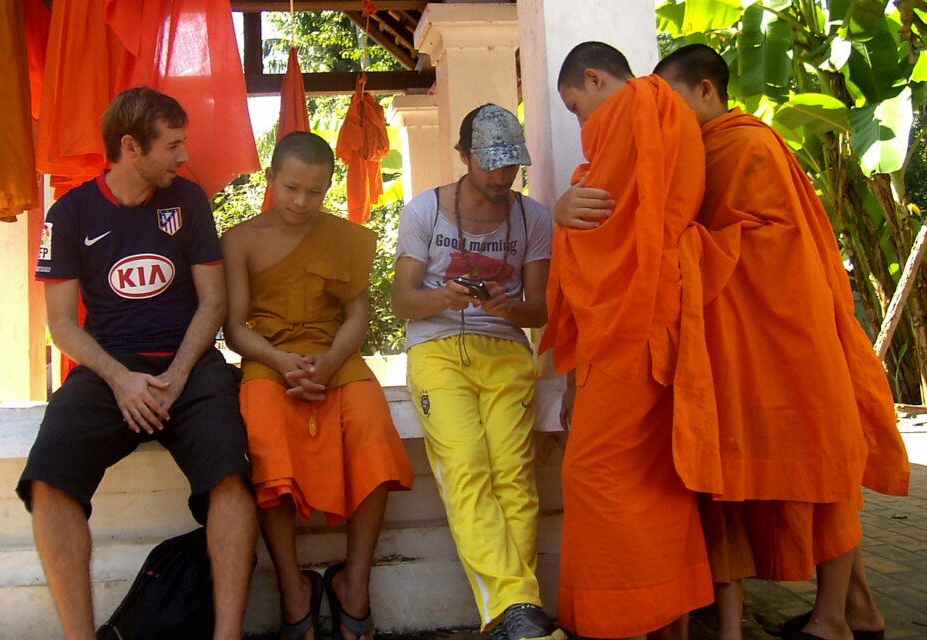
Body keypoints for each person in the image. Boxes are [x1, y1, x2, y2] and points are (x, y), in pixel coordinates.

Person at [648, 44, 910, 640]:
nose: (666, 112)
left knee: (827, 468)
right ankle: (860, 609)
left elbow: (767, 241)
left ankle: (832, 621)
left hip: (792, 329)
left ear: (707, 92)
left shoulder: (747, 144)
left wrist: (685, 246)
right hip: (761, 334)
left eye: (672, 98)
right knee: (811, 469)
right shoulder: (712, 147)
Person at [17, 86, 257, 640]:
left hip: (189, 361)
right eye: (173, 145)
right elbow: (62, 325)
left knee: (232, 475)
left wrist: (174, 378)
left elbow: (214, 302)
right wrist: (122, 380)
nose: (183, 156)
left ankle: (228, 636)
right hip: (109, 369)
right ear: (130, 147)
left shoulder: (189, 201)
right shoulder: (71, 212)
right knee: (48, 480)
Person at [543, 42, 724, 640]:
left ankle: (617, 620)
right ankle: (664, 614)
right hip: (664, 318)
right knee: (655, 478)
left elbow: (603, 228)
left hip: (629, 325)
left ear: (595, 80)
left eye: (576, 107)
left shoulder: (635, 109)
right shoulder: (666, 115)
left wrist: (561, 219)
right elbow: (621, 209)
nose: (582, 125)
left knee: (592, 474)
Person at [222, 131, 413, 640]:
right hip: (269, 358)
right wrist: (281, 362)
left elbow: (357, 316)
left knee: (373, 428)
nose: (302, 202)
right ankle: (293, 588)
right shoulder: (239, 240)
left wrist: (329, 363)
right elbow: (235, 327)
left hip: (334, 355)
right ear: (270, 179)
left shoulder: (345, 237)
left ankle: (355, 583)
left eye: (315, 192)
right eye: (291, 189)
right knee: (266, 439)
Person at [391, 103, 561, 640]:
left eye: (509, 165)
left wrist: (507, 309)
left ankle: (514, 617)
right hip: (438, 349)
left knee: (514, 475)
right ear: (463, 157)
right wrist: (444, 296)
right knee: (465, 466)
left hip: (506, 349)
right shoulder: (426, 211)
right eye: (489, 164)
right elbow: (401, 300)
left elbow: (541, 311)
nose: (500, 177)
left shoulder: (533, 216)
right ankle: (519, 606)